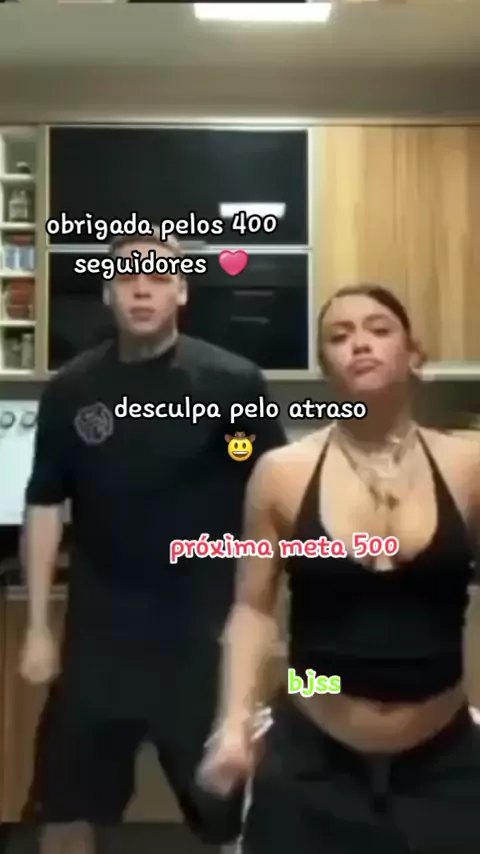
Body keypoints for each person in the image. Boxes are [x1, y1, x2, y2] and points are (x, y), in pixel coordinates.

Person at [19, 229, 287, 854]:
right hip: (98, 640)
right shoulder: (72, 390)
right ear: (107, 295)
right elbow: (44, 503)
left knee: (231, 815)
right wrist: (36, 628)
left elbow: (272, 497)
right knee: (65, 805)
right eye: (128, 279)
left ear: (181, 293)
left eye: (159, 278)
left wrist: (266, 618)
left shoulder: (231, 383)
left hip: (202, 637)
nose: (142, 290)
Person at [200, 283, 480, 854]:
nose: (360, 343)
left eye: (379, 329)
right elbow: (253, 609)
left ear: (414, 355)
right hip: (312, 760)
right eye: (340, 335)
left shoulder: (467, 465)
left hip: (444, 764)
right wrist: (233, 721)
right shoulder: (282, 473)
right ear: (326, 364)